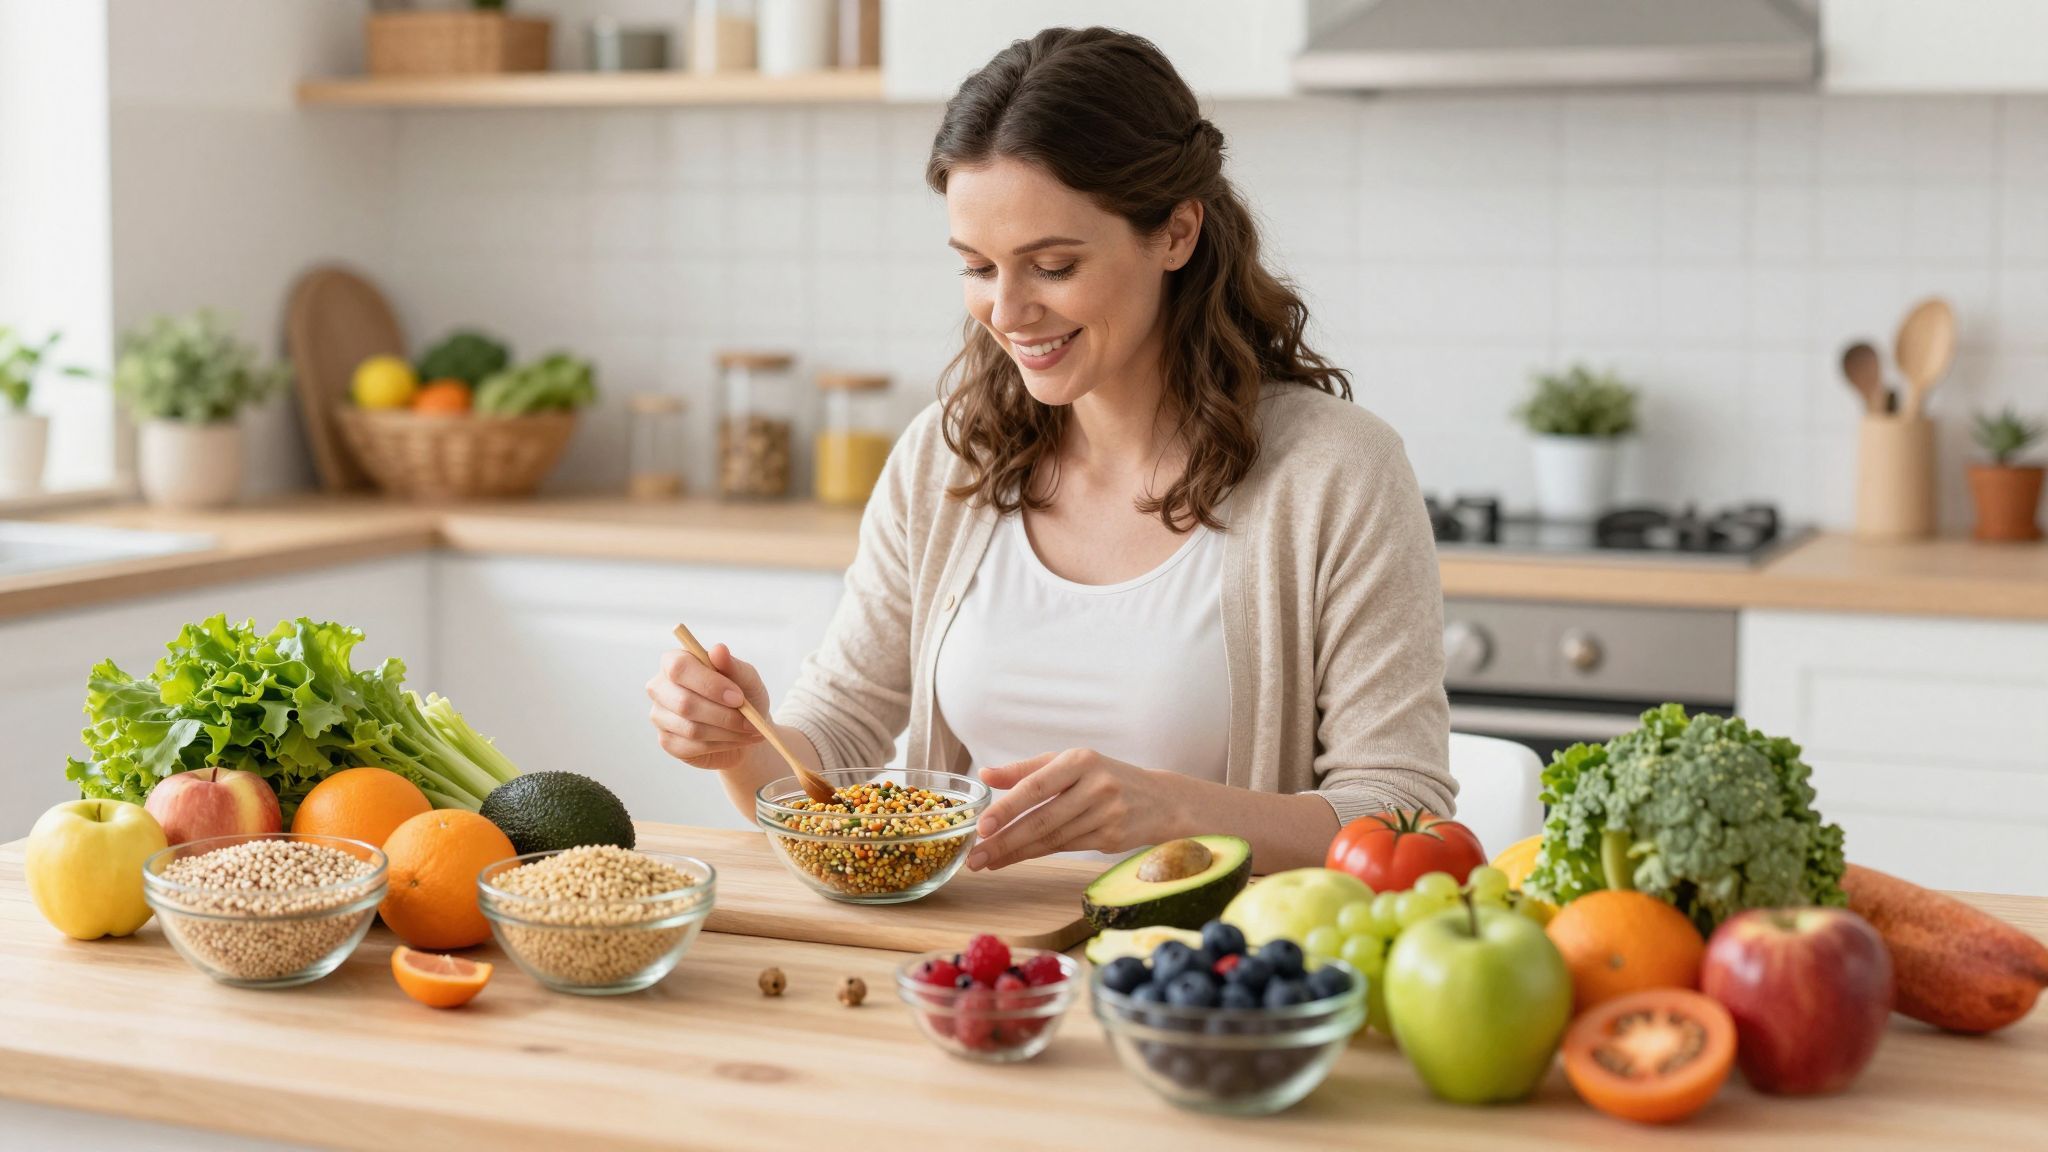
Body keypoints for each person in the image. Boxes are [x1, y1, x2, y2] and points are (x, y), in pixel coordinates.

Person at [648, 26, 1450, 874]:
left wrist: (1167, 810)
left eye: (1054, 265)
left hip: (1208, 988)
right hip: (972, 976)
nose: (1008, 310)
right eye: (979, 267)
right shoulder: (947, 458)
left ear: (1176, 233)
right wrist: (739, 741)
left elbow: (1407, 818)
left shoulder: (1336, 473)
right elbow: (837, 734)